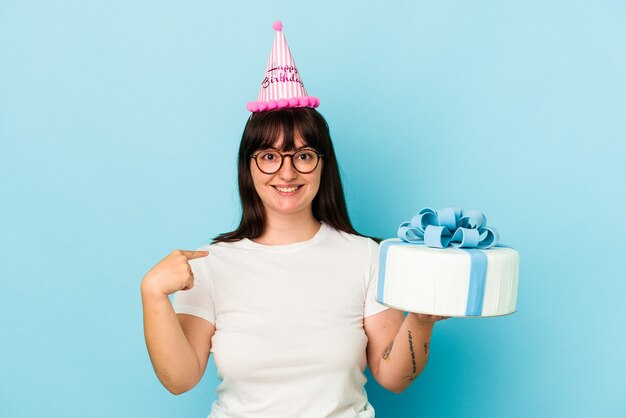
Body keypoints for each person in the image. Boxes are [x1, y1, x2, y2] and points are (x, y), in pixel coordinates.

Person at [140, 22, 446, 418]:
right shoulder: (208, 265)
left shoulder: (366, 256)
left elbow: (392, 376)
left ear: (322, 164)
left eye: (302, 155)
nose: (286, 173)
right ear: (248, 167)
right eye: (269, 156)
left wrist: (421, 322)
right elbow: (178, 379)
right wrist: (152, 294)